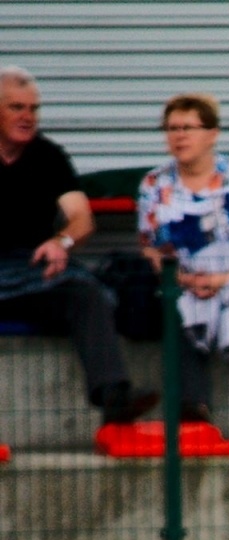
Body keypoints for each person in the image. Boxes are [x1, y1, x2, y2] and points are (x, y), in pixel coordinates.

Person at [0, 66, 158, 425]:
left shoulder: (49, 156)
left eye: (34, 109)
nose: (27, 117)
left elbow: (81, 219)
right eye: (16, 108)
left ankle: (114, 396)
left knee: (87, 292)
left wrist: (61, 242)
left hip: (33, 268)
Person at [137, 94, 229, 450]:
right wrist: (185, 280)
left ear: (212, 133)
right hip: (185, 278)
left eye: (187, 127)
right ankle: (194, 412)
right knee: (179, 308)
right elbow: (151, 249)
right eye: (171, 128)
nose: (178, 136)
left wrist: (222, 279)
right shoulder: (154, 186)